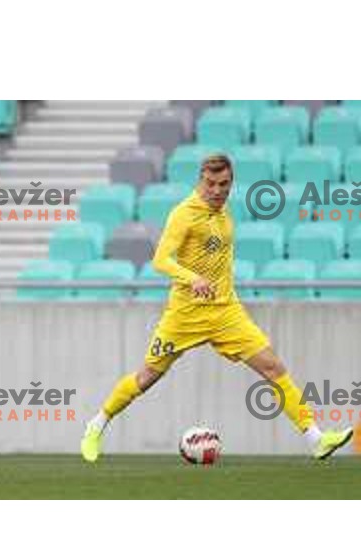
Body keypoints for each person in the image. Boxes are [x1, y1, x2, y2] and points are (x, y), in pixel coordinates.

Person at [81, 154, 352, 462]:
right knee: (146, 378)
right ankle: (97, 424)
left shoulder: (224, 214)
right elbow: (160, 260)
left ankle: (316, 439)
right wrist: (191, 277)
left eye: (223, 184)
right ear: (200, 180)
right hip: (186, 314)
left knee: (273, 367)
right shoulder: (184, 214)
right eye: (210, 183)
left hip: (225, 311)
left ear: (230, 184)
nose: (216, 190)